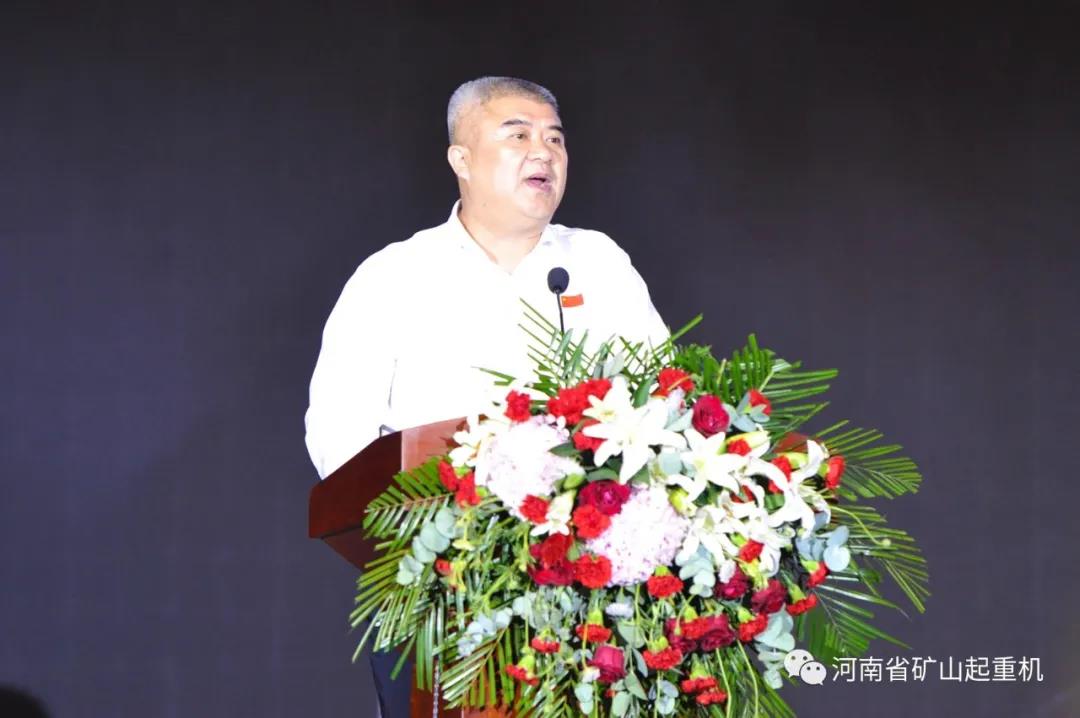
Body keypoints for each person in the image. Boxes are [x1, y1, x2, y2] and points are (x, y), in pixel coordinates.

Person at [304, 76, 669, 716]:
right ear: (462, 159)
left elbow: (662, 399)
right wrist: (426, 536)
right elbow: (339, 435)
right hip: (440, 589)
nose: (543, 152)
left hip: (595, 591)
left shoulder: (598, 263)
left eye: (555, 139)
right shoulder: (394, 275)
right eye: (518, 135)